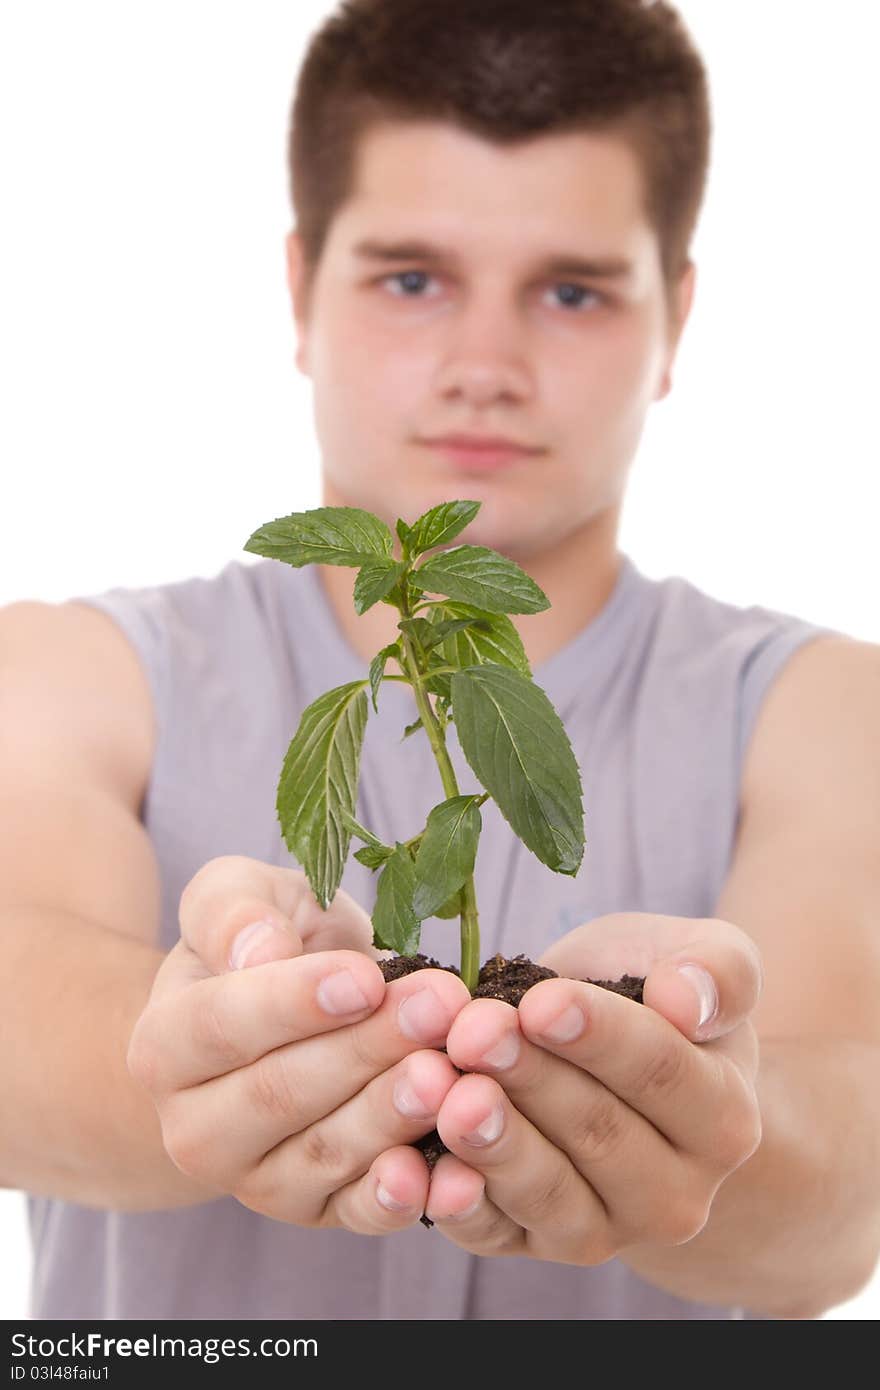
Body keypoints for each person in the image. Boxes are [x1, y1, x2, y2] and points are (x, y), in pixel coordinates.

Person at [3, 0, 879, 1322]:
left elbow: (843, 1195)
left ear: (676, 319)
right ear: (298, 291)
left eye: (572, 291)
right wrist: (219, 1037)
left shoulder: (819, 712)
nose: (484, 367)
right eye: (411, 279)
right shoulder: (78, 671)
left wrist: (704, 1101)